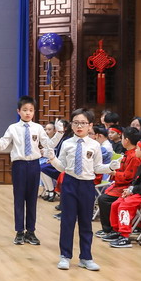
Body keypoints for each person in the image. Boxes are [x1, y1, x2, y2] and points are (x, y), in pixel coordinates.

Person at [45, 108, 119, 270]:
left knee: (86, 222)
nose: (79, 126)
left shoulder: (94, 145)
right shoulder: (67, 143)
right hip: (70, 183)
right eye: (76, 123)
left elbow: (97, 167)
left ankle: (86, 257)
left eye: (83, 123)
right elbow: (62, 167)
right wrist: (52, 158)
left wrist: (110, 167)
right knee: (67, 221)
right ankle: (65, 256)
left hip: (87, 185)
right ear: (71, 125)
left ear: (90, 125)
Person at [0, 96, 63, 246]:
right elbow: (1, 145)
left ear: (34, 112)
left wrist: (59, 132)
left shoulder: (38, 128)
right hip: (19, 165)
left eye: (31, 110)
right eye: (25, 110)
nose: (28, 113)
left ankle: (31, 232)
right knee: (19, 199)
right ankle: (19, 232)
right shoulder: (13, 128)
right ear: (18, 111)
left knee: (32, 200)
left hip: (34, 165)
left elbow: (49, 145)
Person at [104, 138, 141, 248]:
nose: (135, 150)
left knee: (125, 205)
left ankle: (125, 236)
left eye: (138, 149)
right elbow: (137, 182)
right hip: (139, 192)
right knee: (116, 204)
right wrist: (130, 190)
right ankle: (117, 230)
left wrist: (132, 190)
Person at [95, 127, 140, 238]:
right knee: (104, 197)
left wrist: (115, 173)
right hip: (121, 184)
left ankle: (110, 229)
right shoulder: (129, 153)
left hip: (127, 186)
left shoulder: (134, 156)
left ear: (127, 140)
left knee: (104, 199)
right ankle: (108, 229)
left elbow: (129, 177)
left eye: (123, 137)